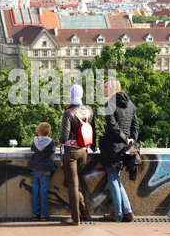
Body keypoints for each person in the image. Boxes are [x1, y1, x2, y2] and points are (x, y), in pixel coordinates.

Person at [98, 78, 139, 222]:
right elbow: (135, 126)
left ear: (112, 88)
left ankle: (118, 213)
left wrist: (123, 138)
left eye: (105, 87)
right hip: (126, 149)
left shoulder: (109, 104)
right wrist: (131, 140)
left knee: (113, 179)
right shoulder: (131, 105)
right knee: (115, 178)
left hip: (113, 147)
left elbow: (113, 126)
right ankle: (127, 211)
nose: (103, 89)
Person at [58, 84, 96, 225]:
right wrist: (94, 146)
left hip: (70, 153)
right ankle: (85, 212)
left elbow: (63, 138)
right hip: (83, 152)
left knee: (73, 185)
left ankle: (75, 219)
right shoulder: (88, 110)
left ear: (71, 95)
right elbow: (93, 130)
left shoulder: (69, 113)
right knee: (70, 182)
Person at [28, 122, 56, 221]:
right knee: (43, 193)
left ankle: (35, 214)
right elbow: (53, 151)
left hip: (35, 169)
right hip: (45, 170)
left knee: (35, 192)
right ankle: (44, 215)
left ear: (38, 132)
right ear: (49, 133)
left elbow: (32, 149)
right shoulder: (51, 142)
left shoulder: (35, 141)